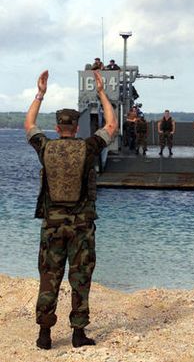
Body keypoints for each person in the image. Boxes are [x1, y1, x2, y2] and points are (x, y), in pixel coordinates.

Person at [24, 70, 117, 350]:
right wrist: (101, 92)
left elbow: (28, 124)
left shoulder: (46, 147)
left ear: (57, 127)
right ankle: (78, 334)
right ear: (76, 128)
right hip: (81, 226)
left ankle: (44, 335)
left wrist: (40, 93)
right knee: (80, 278)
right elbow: (111, 125)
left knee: (49, 277)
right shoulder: (88, 147)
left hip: (52, 225)